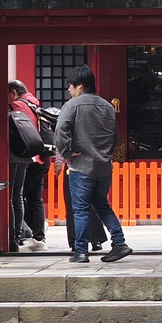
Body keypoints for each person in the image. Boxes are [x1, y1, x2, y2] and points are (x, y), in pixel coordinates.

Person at [53, 65, 132, 265]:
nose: (69, 90)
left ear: (79, 85)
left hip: (82, 166)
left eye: (70, 86)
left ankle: (81, 251)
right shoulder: (107, 106)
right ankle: (119, 242)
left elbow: (60, 132)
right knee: (102, 205)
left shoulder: (72, 105)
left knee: (80, 209)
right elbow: (115, 137)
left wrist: (67, 153)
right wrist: (106, 154)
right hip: (104, 166)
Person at [6, 79, 48, 252]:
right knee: (35, 198)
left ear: (14, 93)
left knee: (17, 196)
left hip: (24, 157)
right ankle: (39, 237)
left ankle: (19, 234)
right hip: (40, 158)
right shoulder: (34, 104)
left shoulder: (16, 106)